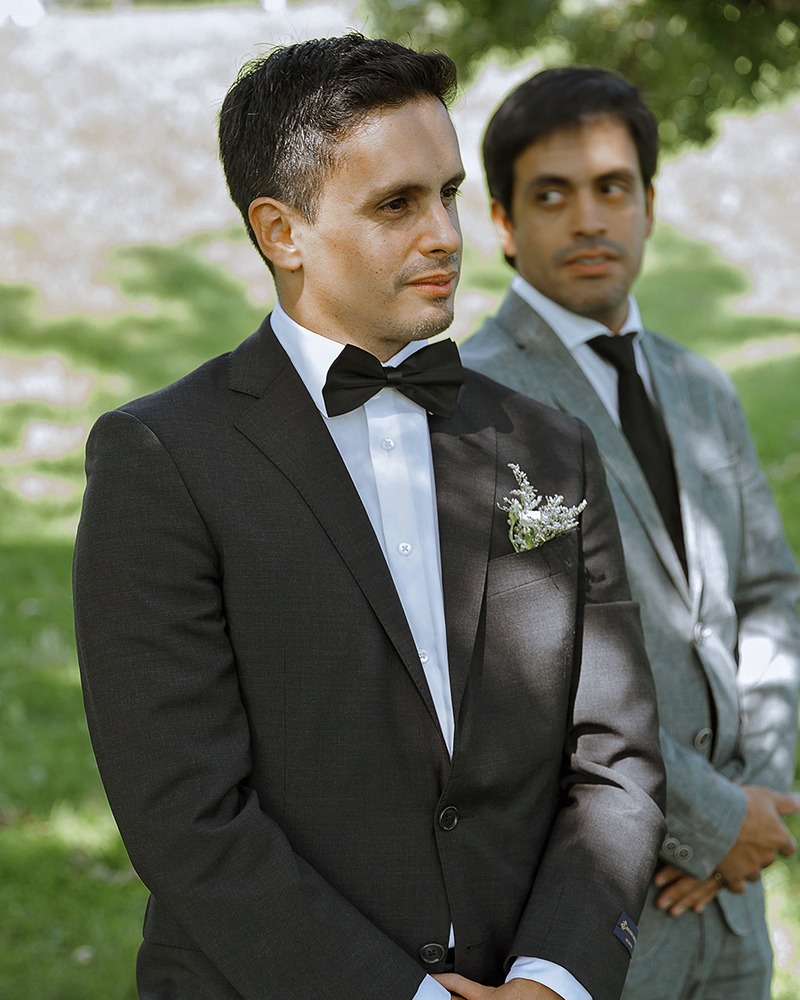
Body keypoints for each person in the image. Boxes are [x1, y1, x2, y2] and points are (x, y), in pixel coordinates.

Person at [73, 37, 666, 1000]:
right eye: (397, 204)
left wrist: (554, 978)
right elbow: (183, 812)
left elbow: (616, 754)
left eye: (448, 194)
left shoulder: (550, 448)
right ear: (282, 232)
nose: (444, 234)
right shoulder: (162, 459)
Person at [462, 66, 800, 1000]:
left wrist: (754, 802)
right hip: (586, 911)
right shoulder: (473, 404)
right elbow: (518, 666)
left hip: (732, 901)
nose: (588, 219)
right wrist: (704, 817)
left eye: (612, 187)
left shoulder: (703, 389)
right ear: (502, 222)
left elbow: (769, 592)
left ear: (649, 203)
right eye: (551, 195)